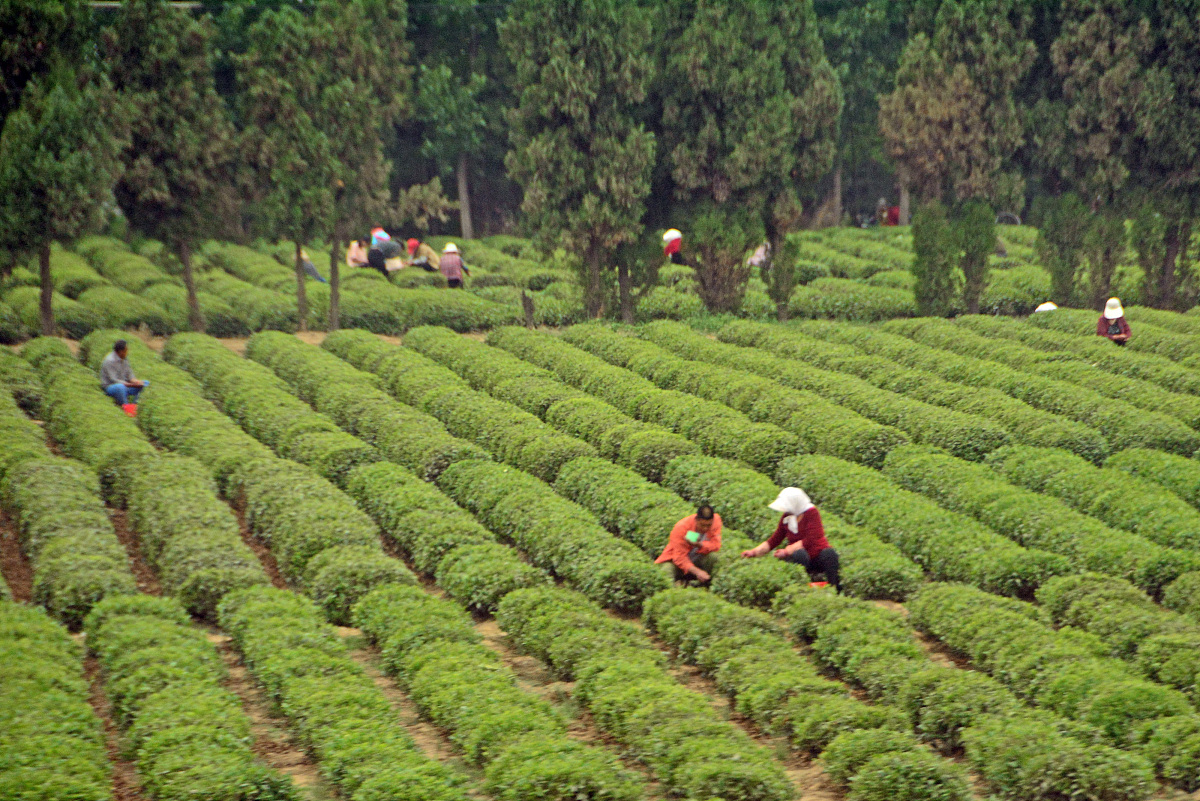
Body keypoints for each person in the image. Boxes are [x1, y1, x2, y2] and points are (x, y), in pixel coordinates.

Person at [741, 487, 840, 593]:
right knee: (800, 554)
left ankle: (834, 587)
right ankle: (802, 588)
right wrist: (754, 552)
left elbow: (811, 539)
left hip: (816, 556)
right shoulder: (787, 517)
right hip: (799, 557)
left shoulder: (812, 513)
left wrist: (786, 551)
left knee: (829, 553)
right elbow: (775, 539)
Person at [656, 504, 722, 585]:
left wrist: (700, 545)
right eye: (702, 525)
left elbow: (716, 545)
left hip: (697, 559)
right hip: (676, 563)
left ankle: (702, 584)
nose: (705, 528)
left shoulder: (716, 521)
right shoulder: (682, 527)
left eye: (708, 525)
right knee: (667, 570)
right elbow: (679, 558)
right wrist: (697, 572)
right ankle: (675, 588)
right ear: (696, 520)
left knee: (713, 557)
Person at [99, 340, 147, 405]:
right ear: (121, 351)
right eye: (126, 350)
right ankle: (125, 406)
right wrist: (131, 384)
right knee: (120, 387)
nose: (127, 352)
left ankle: (134, 405)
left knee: (146, 383)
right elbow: (114, 380)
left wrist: (136, 382)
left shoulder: (124, 359)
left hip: (126, 385)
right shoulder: (109, 361)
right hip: (111, 387)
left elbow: (129, 375)